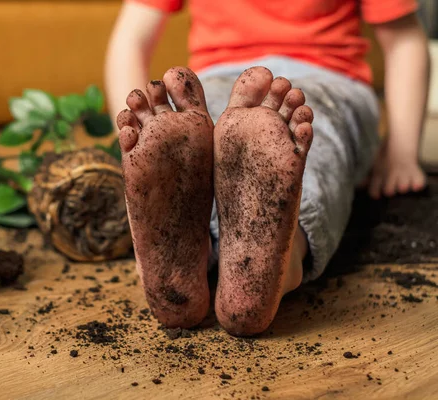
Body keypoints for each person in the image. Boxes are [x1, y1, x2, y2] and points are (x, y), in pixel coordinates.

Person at [104, 0, 430, 335]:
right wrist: (141, 144)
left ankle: (266, 257)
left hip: (328, 81)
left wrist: (401, 153)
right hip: (218, 85)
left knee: (294, 146)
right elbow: (131, 40)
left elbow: (404, 43)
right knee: (208, 152)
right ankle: (228, 253)